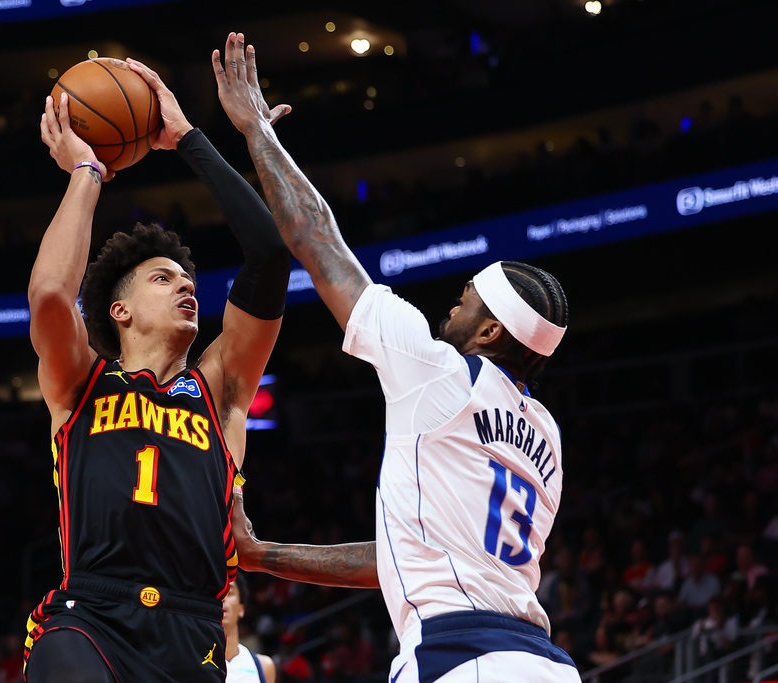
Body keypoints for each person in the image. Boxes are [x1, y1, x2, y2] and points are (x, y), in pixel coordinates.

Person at [214, 32, 579, 682]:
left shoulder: (438, 373)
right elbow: (404, 553)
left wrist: (254, 132)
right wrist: (264, 554)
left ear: (491, 331)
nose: (450, 311)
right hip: (544, 662)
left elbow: (315, 238)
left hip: (462, 658)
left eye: (465, 302)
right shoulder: (545, 436)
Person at [23, 57, 290, 683]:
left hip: (193, 631)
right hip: (90, 616)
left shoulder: (220, 389)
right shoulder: (81, 383)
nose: (185, 287)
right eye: (163, 278)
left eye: (189, 279)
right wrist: (87, 172)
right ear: (119, 310)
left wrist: (187, 140)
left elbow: (271, 255)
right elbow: (50, 298)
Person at [223, 572, 276, 683]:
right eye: (218, 593)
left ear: (241, 609)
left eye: (229, 592)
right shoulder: (192, 661)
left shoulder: (263, 665)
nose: (223, 599)